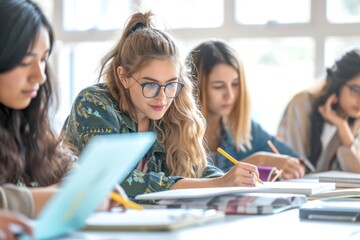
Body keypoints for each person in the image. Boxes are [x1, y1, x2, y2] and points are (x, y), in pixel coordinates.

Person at [63, 12, 259, 202]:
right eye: (150, 85)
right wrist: (218, 184)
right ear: (123, 76)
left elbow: (196, 168)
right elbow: (112, 181)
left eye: (171, 84)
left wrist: (230, 180)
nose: (162, 98)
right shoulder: (94, 104)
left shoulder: (171, 111)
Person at [187, 39, 306, 179]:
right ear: (194, 86)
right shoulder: (177, 131)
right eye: (218, 86)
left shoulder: (244, 128)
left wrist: (293, 167)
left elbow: (296, 160)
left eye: (235, 84)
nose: (230, 95)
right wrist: (258, 162)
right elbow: (181, 182)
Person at [0, 0, 77, 217]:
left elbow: (67, 167)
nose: (40, 76)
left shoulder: (24, 118)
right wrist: (60, 197)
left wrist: (84, 190)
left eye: (43, 60)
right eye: (26, 61)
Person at [277, 49, 360, 172]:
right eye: (355, 90)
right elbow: (293, 161)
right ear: (338, 83)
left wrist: (342, 127)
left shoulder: (355, 119)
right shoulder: (302, 104)